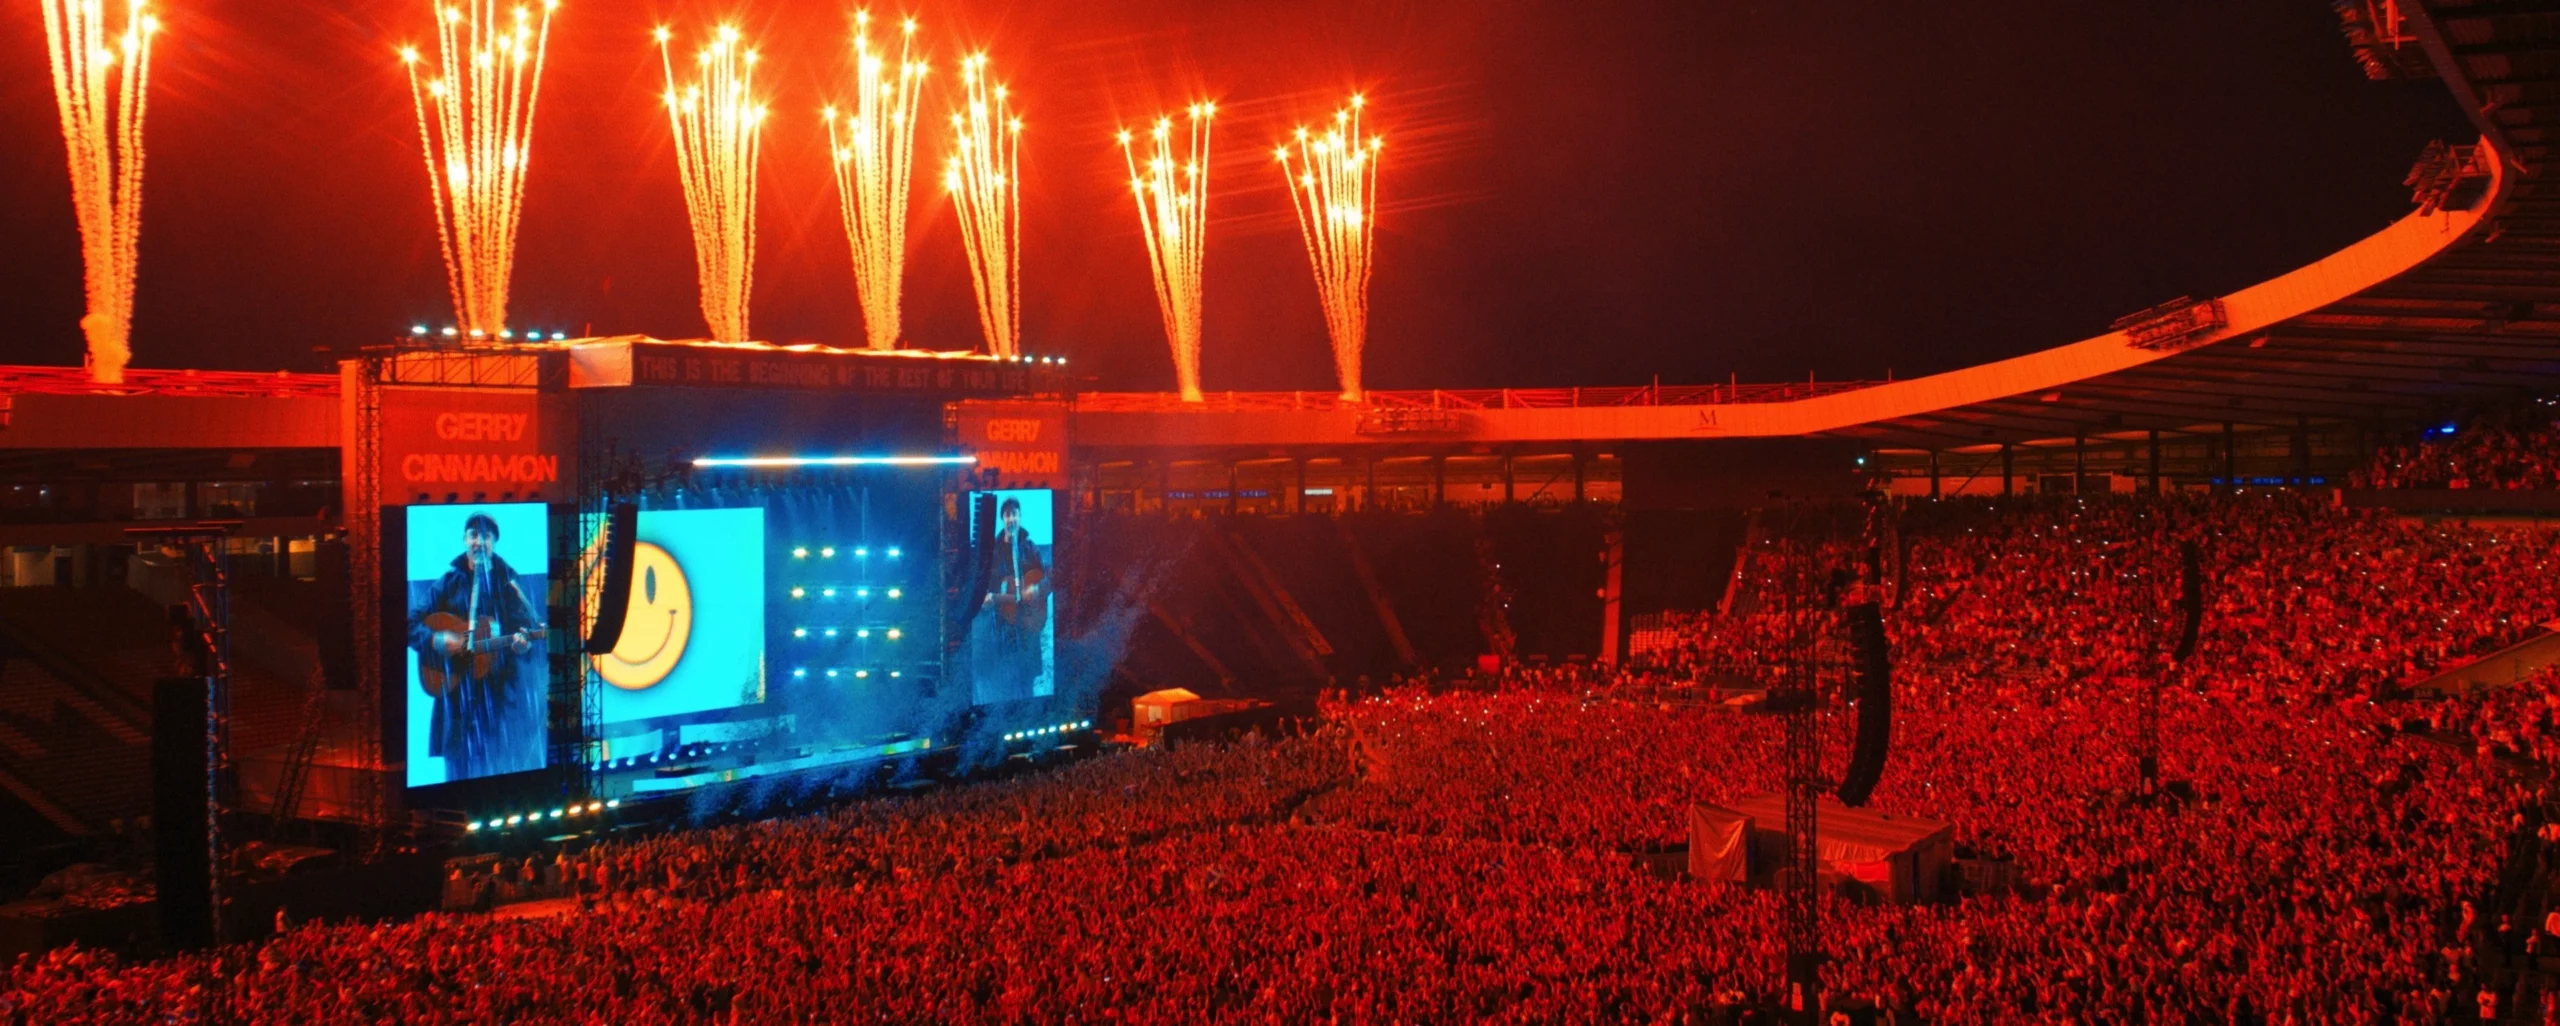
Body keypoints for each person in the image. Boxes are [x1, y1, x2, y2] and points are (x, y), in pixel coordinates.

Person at [408, 510, 545, 781]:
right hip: (456, 697)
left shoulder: (509, 585)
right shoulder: (449, 582)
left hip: (497, 696)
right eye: (473, 535)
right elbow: (410, 624)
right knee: (455, 775)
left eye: (486, 536)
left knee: (497, 772)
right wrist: (437, 640)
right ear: (464, 540)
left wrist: (523, 646)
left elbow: (527, 635)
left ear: (494, 542)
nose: (478, 542)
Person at [972, 496, 1049, 703]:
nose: (1012, 519)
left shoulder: (1031, 548)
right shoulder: (992, 551)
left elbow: (1048, 581)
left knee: (1027, 683)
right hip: (1003, 628)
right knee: (1006, 681)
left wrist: (1036, 588)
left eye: (1015, 514)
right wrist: (988, 599)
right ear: (1002, 519)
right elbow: (984, 586)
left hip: (1028, 627)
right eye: (1008, 515)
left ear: (1020, 517)